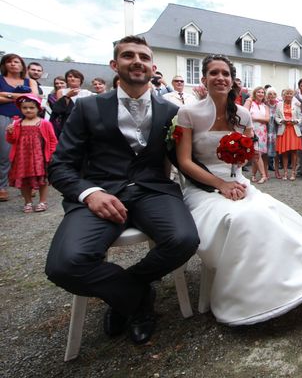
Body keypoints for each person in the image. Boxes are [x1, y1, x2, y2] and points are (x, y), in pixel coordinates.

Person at [45, 36, 199, 345]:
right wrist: (90, 193)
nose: (137, 60)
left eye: (144, 56)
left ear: (153, 67)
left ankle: (124, 292)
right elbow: (60, 165)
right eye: (129, 55)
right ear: (115, 65)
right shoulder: (87, 107)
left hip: (153, 192)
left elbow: (184, 161)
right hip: (100, 195)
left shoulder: (171, 111)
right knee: (64, 265)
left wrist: (225, 180)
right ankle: (137, 301)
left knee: (185, 240)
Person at [174, 54, 302, 325]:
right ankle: (246, 293)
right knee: (240, 218)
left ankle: (281, 279)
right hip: (203, 187)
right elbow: (183, 161)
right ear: (204, 78)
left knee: (267, 211)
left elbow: (248, 153)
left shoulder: (242, 114)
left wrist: (241, 160)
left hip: (238, 182)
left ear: (232, 81)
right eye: (213, 73)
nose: (220, 78)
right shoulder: (188, 113)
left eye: (225, 74)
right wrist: (220, 184)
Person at [6, 94, 57, 212]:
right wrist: (10, 132)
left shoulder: (44, 123)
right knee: (23, 179)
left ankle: (42, 201)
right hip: (22, 157)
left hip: (39, 157)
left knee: (42, 179)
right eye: (25, 108)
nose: (28, 110)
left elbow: (52, 140)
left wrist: (52, 154)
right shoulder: (17, 123)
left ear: (38, 108)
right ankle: (27, 202)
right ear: (20, 109)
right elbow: (11, 140)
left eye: (31, 108)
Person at [0, 53, 38, 202]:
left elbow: (34, 98)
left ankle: (29, 185)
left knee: (28, 153)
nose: (13, 64)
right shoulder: (1, 79)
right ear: (4, 65)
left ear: (22, 65)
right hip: (3, 117)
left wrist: (7, 95)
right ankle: (2, 187)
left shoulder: (30, 81)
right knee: (5, 154)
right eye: (9, 62)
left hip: (26, 120)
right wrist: (20, 96)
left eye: (16, 62)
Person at [50, 69, 93, 137]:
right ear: (66, 80)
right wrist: (68, 96)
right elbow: (60, 109)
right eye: (70, 76)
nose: (72, 79)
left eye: (76, 77)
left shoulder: (88, 93)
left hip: (82, 123)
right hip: (66, 122)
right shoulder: (61, 91)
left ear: (81, 80)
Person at [275, 88, 302, 180]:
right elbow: (276, 117)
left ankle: (293, 173)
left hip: (294, 130)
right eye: (287, 94)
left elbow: (300, 118)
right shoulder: (279, 104)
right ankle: (285, 173)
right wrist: (281, 120)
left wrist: (295, 121)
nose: (289, 95)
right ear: (284, 95)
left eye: (291, 94)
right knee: (284, 152)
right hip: (283, 129)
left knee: (294, 152)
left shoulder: (296, 105)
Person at [244, 86, 269, 183]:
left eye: (262, 92)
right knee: (256, 153)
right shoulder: (250, 102)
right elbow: (245, 113)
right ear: (255, 93)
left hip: (262, 132)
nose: (261, 94)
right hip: (252, 130)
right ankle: (263, 175)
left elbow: (267, 119)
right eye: (258, 92)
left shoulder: (265, 106)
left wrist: (254, 117)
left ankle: (253, 175)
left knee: (258, 154)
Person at [265, 88, 281, 178]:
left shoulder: (278, 105)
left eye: (274, 94)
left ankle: (277, 172)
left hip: (277, 130)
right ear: (267, 95)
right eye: (270, 94)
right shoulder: (264, 105)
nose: (272, 96)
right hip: (267, 131)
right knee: (266, 153)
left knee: (277, 153)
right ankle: (266, 172)